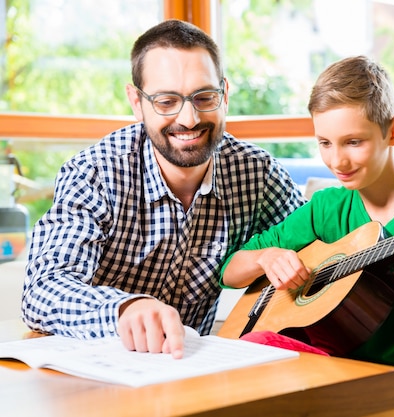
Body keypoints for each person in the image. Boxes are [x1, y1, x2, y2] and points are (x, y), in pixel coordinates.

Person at [219, 55, 394, 417]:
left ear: (393, 131)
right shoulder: (326, 207)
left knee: (256, 351)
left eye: (352, 142)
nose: (337, 161)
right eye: (325, 143)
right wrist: (264, 257)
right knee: (243, 357)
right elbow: (229, 272)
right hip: (320, 367)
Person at [22, 19, 306, 359]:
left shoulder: (256, 173)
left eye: (204, 97)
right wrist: (125, 308)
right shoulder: (96, 173)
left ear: (225, 95)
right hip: (95, 371)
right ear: (136, 101)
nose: (188, 118)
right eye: (166, 101)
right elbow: (43, 289)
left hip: (192, 369)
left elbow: (317, 248)